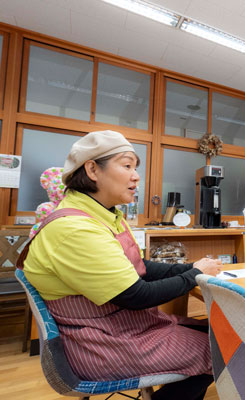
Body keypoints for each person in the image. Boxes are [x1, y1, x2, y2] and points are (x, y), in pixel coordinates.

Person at [20, 130, 222, 400]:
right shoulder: (75, 228)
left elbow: (140, 266)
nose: (136, 176)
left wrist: (190, 268)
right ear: (92, 169)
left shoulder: (103, 214)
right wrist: (195, 274)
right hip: (99, 344)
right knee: (223, 346)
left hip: (118, 327)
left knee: (211, 329)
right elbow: (136, 295)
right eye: (127, 165)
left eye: (135, 168)